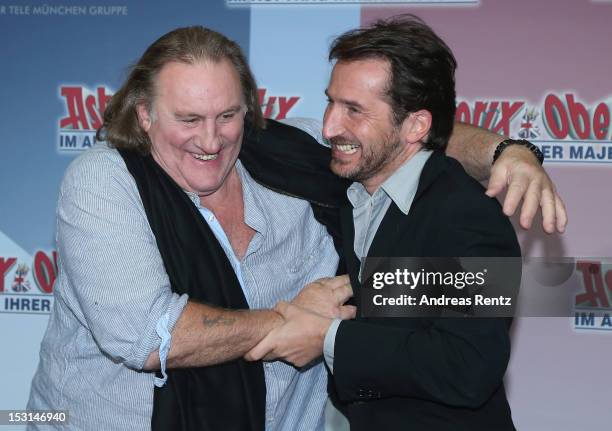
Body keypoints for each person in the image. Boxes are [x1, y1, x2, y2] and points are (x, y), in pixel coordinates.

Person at [28, 25, 561, 430]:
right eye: (187, 119)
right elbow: (144, 334)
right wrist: (296, 325)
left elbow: (469, 362)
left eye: (227, 115)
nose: (210, 140)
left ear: (248, 113)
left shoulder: (296, 156)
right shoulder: (105, 179)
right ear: (143, 115)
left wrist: (506, 151)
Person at [246, 15, 523, 430]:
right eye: (331, 102)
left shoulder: (468, 217)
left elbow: (469, 366)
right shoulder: (356, 194)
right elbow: (403, 314)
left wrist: (327, 339)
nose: (329, 126)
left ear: (415, 125)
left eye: (354, 110)